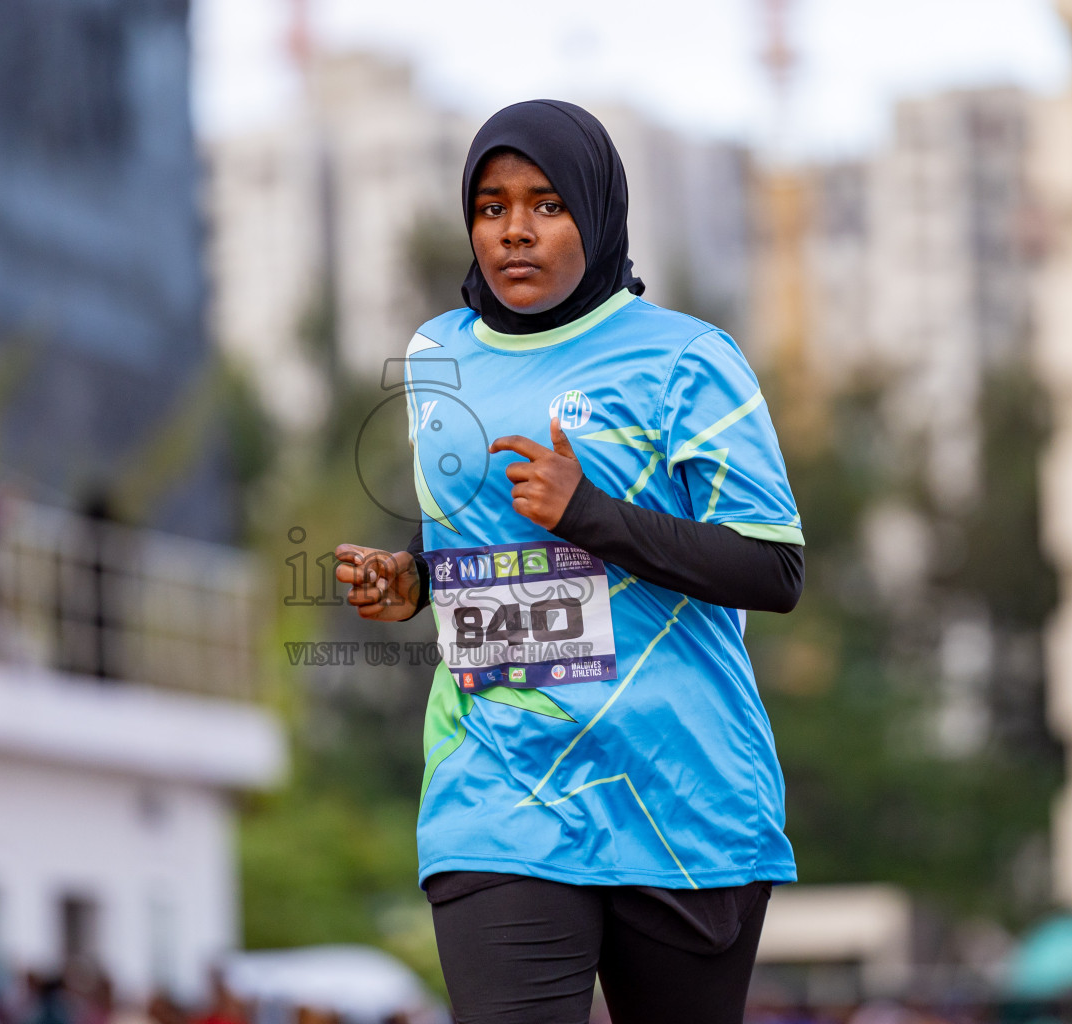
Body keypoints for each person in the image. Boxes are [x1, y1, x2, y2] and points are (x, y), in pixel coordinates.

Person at [334, 100, 805, 1024]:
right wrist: (414, 579)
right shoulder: (438, 354)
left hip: (679, 794)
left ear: (598, 210)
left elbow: (773, 570)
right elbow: (468, 533)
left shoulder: (688, 360)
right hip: (497, 787)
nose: (514, 230)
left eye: (546, 204)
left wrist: (589, 512)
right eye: (490, 205)